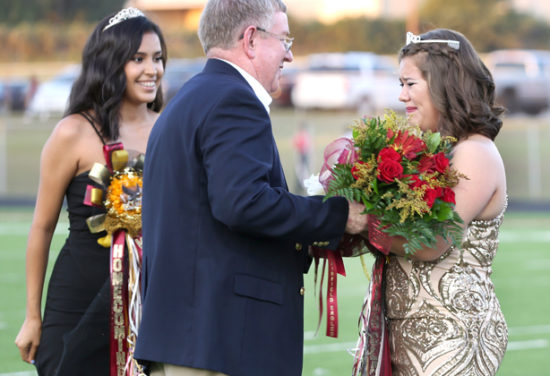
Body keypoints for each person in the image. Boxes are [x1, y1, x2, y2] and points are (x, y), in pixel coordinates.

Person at [134, 1, 367, 375]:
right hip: (221, 341)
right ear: (251, 40)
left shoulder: (190, 99)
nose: (289, 55)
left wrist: (305, 236)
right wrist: (339, 216)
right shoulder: (234, 99)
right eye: (284, 39)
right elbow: (243, 203)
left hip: (190, 338)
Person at [14, 8, 167, 375]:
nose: (153, 70)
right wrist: (32, 316)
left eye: (158, 58)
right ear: (111, 64)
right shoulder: (72, 132)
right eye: (139, 58)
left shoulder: (170, 129)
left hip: (151, 306)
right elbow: (42, 228)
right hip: (77, 305)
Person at [368, 29, 508, 375]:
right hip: (412, 330)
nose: (401, 96)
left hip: (453, 334)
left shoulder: (475, 151)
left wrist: (362, 223)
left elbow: (432, 242)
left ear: (444, 84)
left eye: (410, 84)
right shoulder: (438, 150)